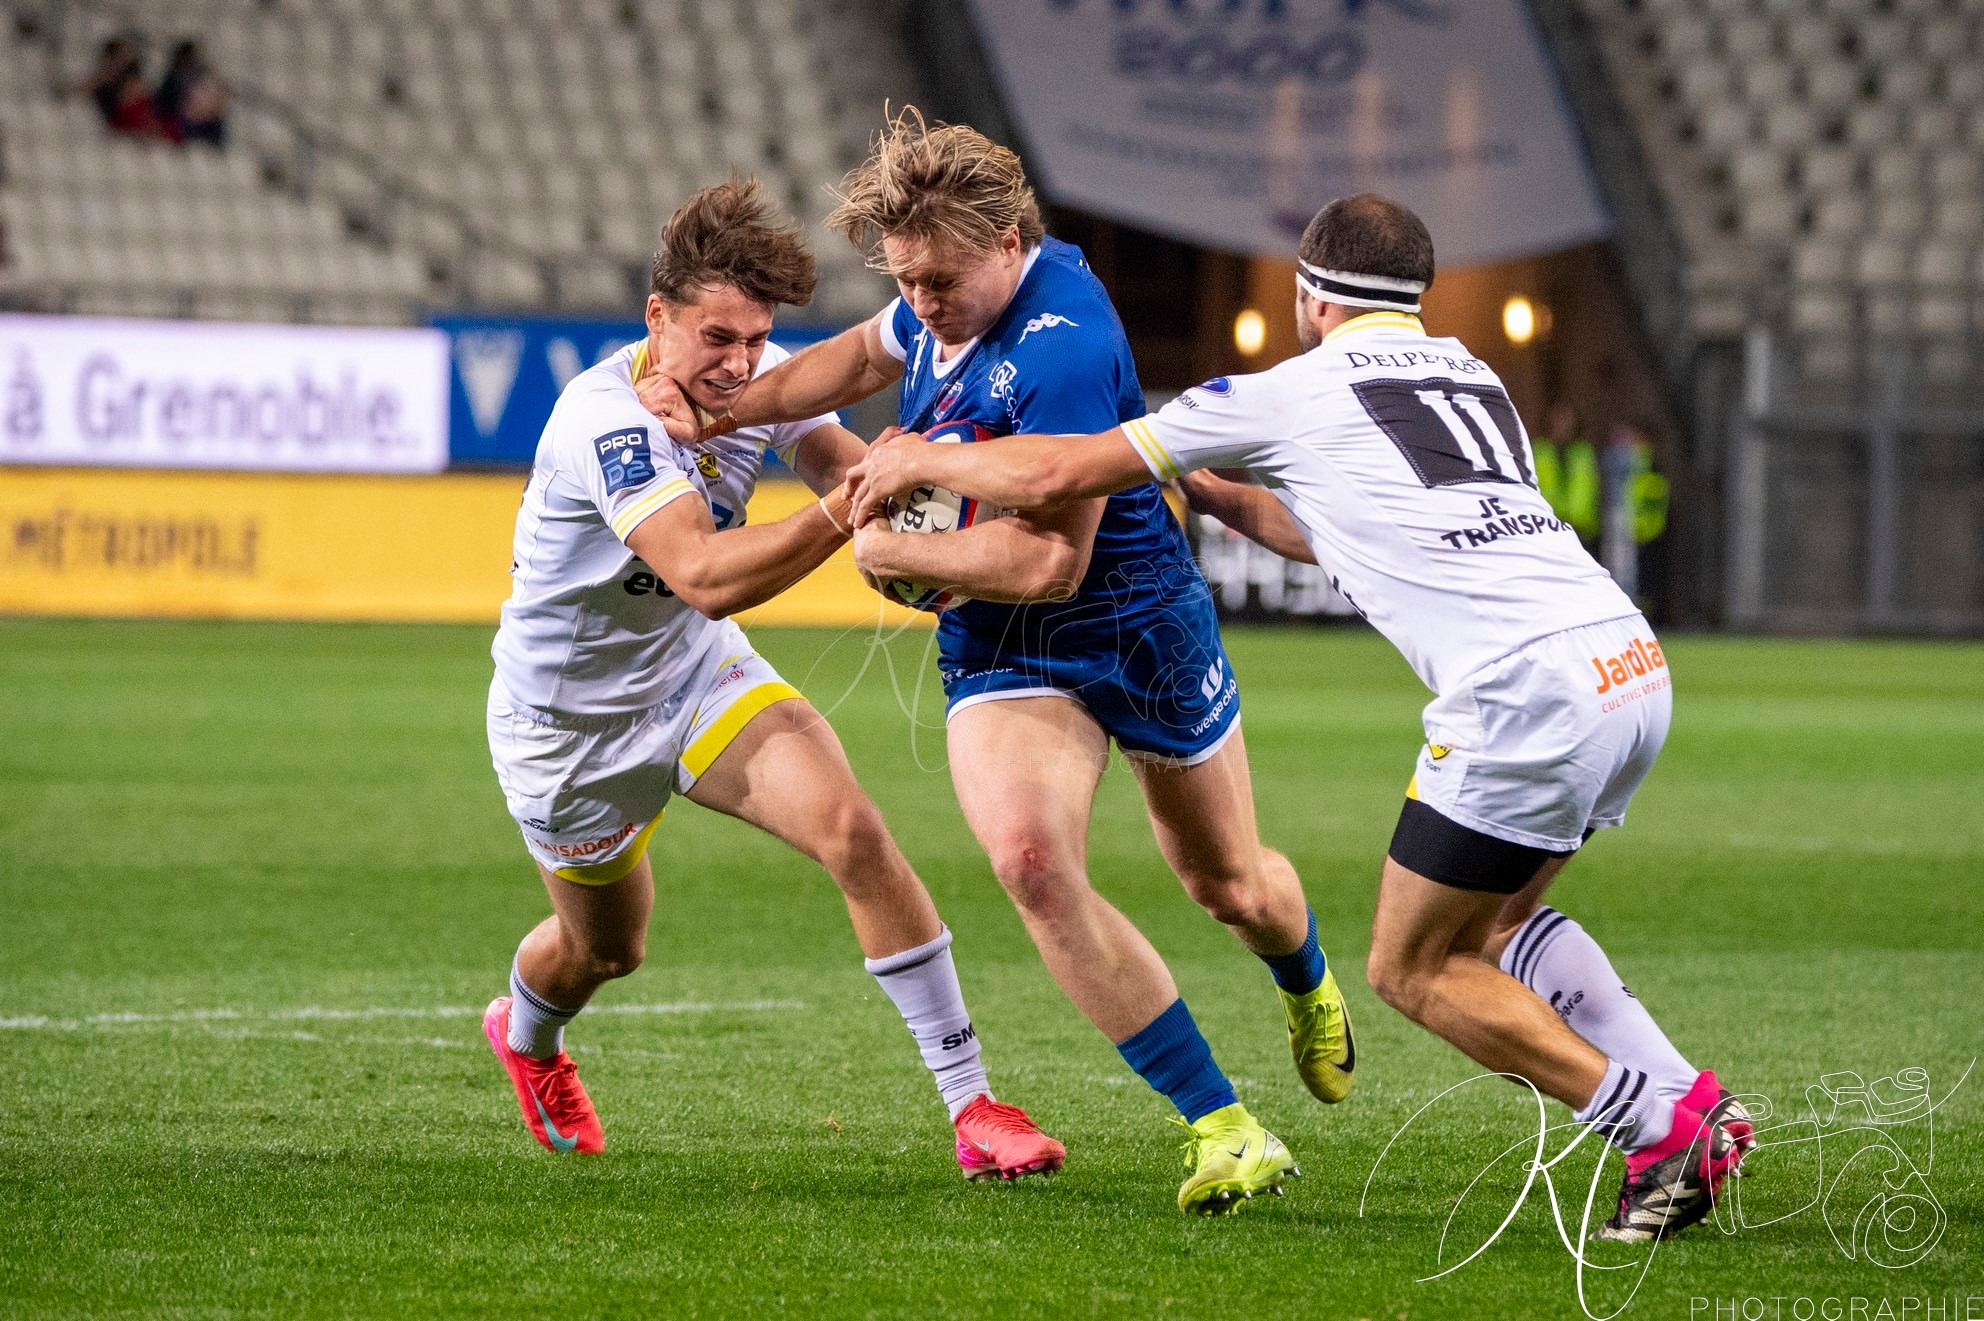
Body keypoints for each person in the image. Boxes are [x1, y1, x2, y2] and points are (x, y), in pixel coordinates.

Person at [842, 193, 1754, 1243]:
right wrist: (1224, 499)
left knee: (1413, 968)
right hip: (1626, 661)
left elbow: (1056, 466)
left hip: (1524, 696)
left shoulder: (1284, 392)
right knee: (1497, 926)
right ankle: (1693, 1100)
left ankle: (1660, 1125)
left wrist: (919, 460)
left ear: (1309, 298)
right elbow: (1347, 535)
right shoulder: (1470, 373)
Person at [641, 109, 1352, 1216]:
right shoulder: (933, 291)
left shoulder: (1062, 346)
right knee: (1027, 858)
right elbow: (850, 357)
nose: (923, 300)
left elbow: (1049, 563)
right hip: (996, 642)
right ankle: (1222, 1126)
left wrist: (891, 546)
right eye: (907, 279)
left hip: (1128, 618)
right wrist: (723, 401)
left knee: (1230, 884)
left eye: (941, 281)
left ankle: (1304, 979)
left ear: (1011, 242)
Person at [481, 179, 1064, 1182]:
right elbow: (706, 576)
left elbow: (853, 474)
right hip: (568, 731)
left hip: (695, 679)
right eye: (716, 338)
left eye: (754, 338)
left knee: (856, 832)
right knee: (606, 953)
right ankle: (527, 1038)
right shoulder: (605, 424)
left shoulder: (753, 382)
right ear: (656, 318)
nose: (740, 363)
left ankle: (974, 1109)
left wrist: (945, 525)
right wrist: (849, 510)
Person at [154, 41, 229, 148]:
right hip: (181, 125)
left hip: (201, 123)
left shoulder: (198, 77)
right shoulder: (173, 80)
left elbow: (216, 105)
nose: (194, 61)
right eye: (191, 57)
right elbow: (173, 107)